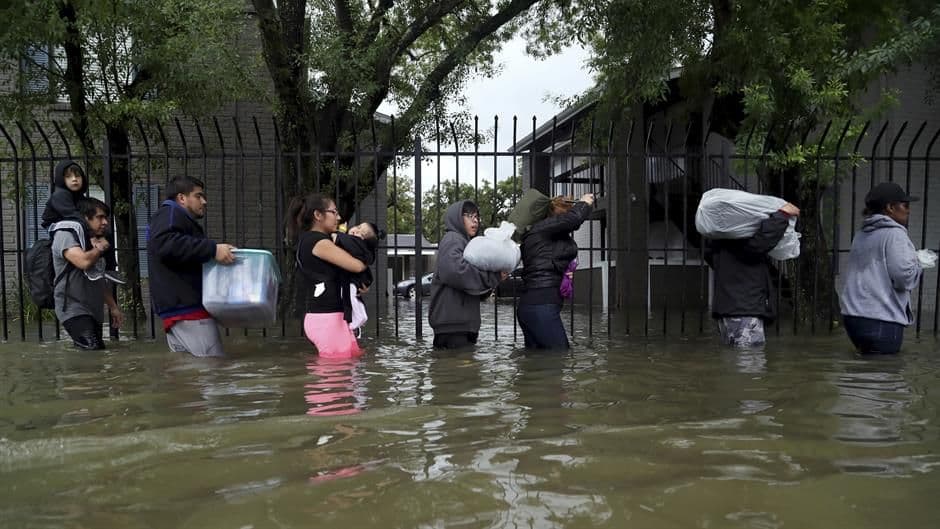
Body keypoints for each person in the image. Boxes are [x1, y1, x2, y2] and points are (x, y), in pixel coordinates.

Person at [148, 176, 236, 358]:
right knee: (213, 366)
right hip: (187, 309)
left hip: (179, 310)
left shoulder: (173, 217)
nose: (204, 201)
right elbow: (165, 244)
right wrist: (213, 249)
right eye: (198, 196)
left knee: (188, 369)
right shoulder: (170, 213)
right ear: (181, 198)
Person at [840, 182, 922, 354]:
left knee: (865, 367)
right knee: (886, 369)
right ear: (890, 208)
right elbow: (904, 278)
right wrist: (919, 263)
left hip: (853, 318)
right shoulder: (895, 234)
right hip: (881, 319)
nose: (908, 210)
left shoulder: (861, 234)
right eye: (905, 205)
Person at [704, 201, 800, 347]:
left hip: (728, 309)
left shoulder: (719, 240)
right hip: (743, 309)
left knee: (734, 357)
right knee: (750, 357)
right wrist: (782, 214)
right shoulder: (740, 241)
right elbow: (762, 241)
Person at [287, 193, 367, 358]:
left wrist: (357, 286)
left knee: (351, 360)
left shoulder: (315, 240)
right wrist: (367, 246)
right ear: (318, 215)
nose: (339, 217)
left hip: (331, 316)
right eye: (334, 212)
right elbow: (357, 266)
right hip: (325, 318)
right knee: (334, 368)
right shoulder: (318, 242)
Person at [517, 193, 594, 350]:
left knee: (537, 360)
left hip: (534, 305)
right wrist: (584, 203)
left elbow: (546, 261)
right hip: (541, 305)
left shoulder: (540, 234)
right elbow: (574, 219)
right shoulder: (544, 228)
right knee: (559, 356)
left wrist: (564, 272)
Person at [428, 200, 505, 350]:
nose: (475, 220)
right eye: (470, 216)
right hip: (453, 326)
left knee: (463, 364)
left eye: (476, 216)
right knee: (458, 364)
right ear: (458, 218)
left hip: (460, 324)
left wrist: (495, 279)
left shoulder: (466, 243)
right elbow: (455, 272)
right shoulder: (453, 238)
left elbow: (472, 288)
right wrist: (491, 277)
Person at [51, 197, 124, 349]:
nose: (105, 222)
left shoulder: (96, 240)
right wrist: (99, 248)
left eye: (106, 217)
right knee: (93, 349)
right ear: (85, 217)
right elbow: (83, 262)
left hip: (93, 310)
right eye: (100, 217)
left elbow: (99, 277)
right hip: (72, 307)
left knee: (92, 352)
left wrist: (113, 307)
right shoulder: (65, 235)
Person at [42, 160, 125, 284]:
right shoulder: (60, 195)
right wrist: (92, 236)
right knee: (80, 226)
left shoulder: (79, 197)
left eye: (78, 176)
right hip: (57, 224)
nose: (74, 179)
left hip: (74, 221)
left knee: (106, 234)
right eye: (68, 176)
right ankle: (91, 269)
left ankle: (109, 269)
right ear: (61, 179)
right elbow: (74, 215)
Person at [333, 221, 383, 332]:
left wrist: (339, 232)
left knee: (349, 296)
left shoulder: (354, 242)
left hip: (351, 280)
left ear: (363, 239)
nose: (356, 231)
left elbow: (340, 240)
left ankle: (357, 318)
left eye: (361, 233)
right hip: (354, 280)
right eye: (358, 227)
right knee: (354, 297)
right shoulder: (363, 248)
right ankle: (360, 316)